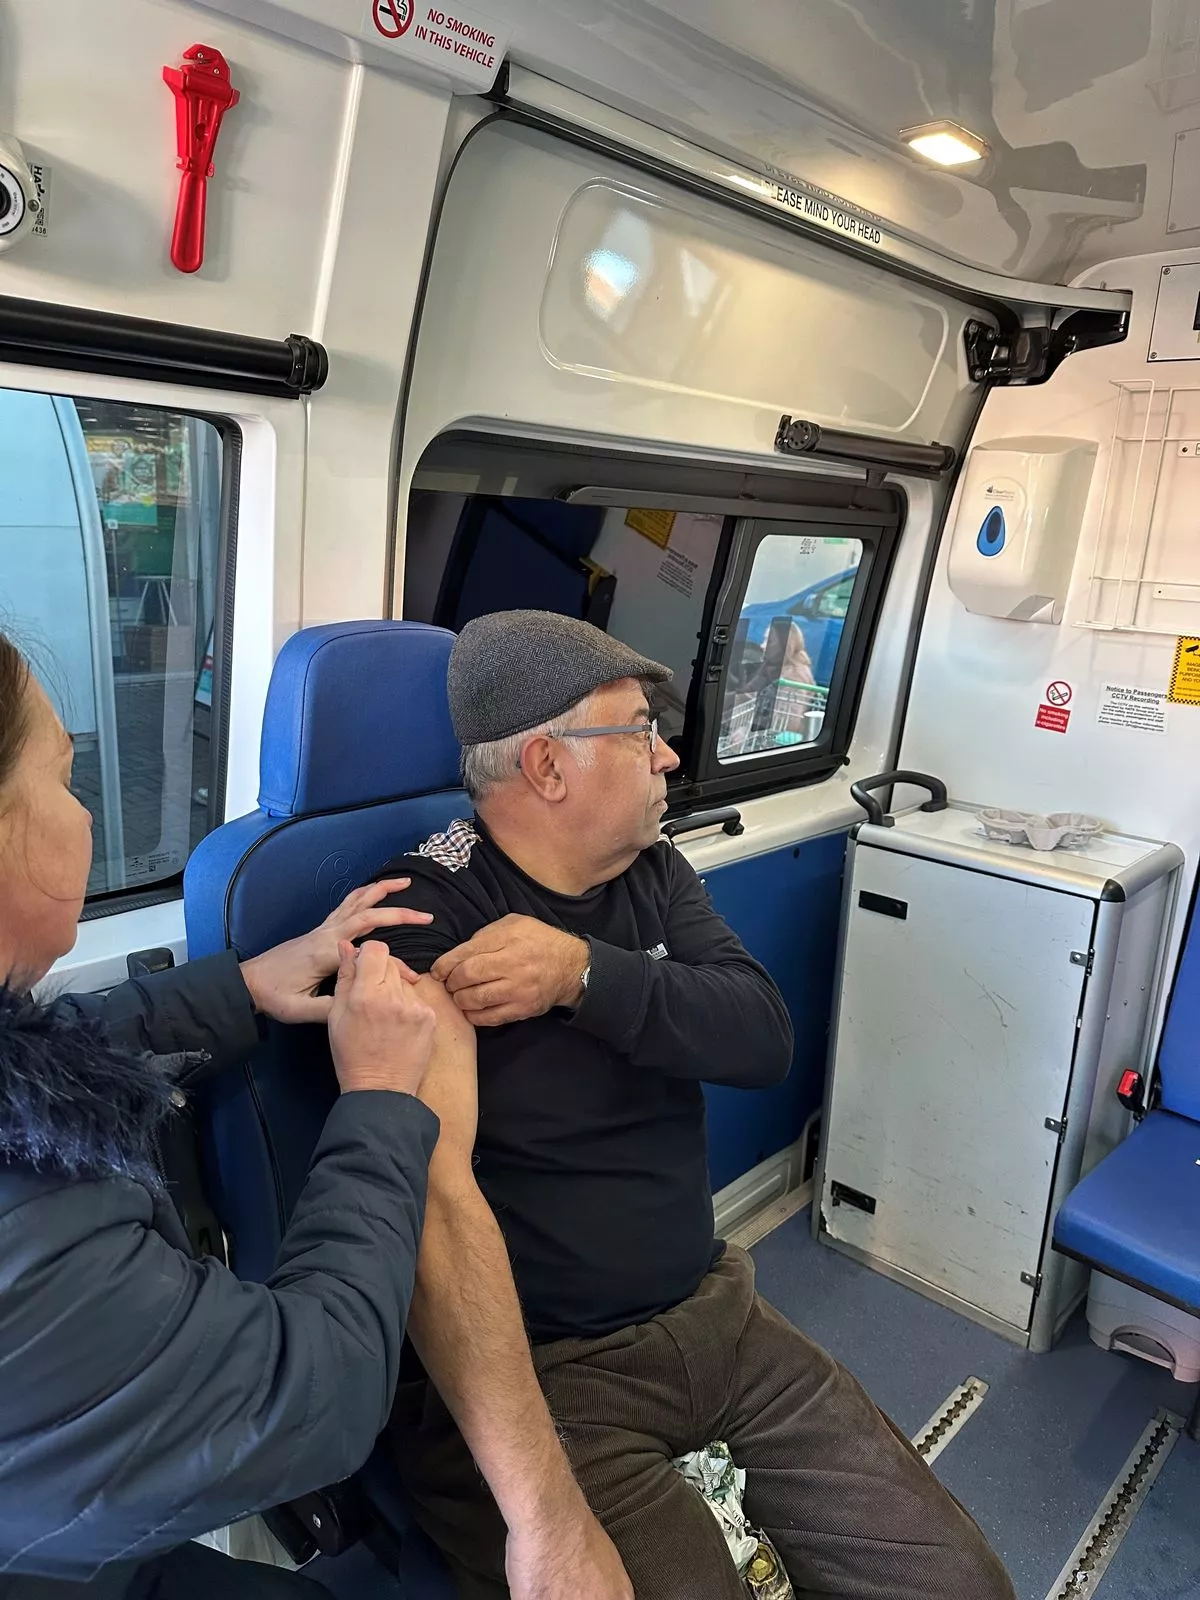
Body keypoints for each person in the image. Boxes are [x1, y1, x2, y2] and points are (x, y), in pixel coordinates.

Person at [374, 610, 1017, 1600]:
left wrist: (584, 973)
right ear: (548, 765)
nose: (668, 754)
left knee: (959, 1583)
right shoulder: (424, 916)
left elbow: (762, 1036)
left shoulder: (655, 876)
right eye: (638, 730)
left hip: (715, 1310)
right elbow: (433, 1219)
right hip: (558, 1375)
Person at [0, 629, 448, 1600]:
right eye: (66, 779)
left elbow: (34, 1055)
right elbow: (316, 1399)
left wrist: (241, 989)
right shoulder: (29, 1231)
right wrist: (379, 1100)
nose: (80, 815)